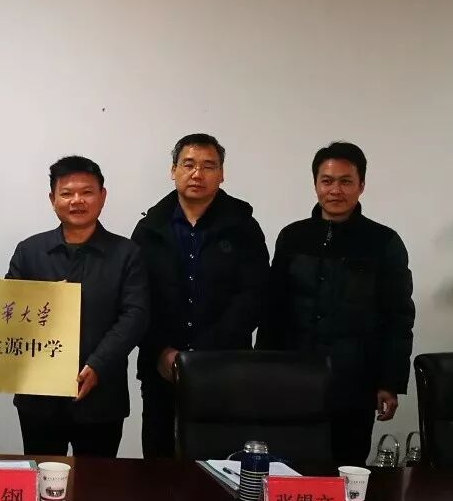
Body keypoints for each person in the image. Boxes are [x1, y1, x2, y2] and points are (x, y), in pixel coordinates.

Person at [257, 141, 414, 466]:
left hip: (355, 381)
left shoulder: (383, 241)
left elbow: (398, 317)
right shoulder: (293, 237)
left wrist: (390, 381)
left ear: (361, 185)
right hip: (294, 375)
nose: (335, 190)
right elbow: (272, 309)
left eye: (345, 181)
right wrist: (263, 369)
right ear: (315, 184)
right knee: (288, 469)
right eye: (327, 181)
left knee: (346, 472)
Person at [132, 134, 269, 459]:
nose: (197, 174)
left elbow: (254, 295)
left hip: (225, 367)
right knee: (158, 460)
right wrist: (162, 350)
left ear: (222, 174)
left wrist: (205, 354)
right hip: (161, 367)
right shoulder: (149, 229)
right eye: (188, 164)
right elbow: (137, 299)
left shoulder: (243, 227)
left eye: (209, 166)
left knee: (221, 462)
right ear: (173, 170)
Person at [6, 156, 148, 458]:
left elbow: (135, 316)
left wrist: (97, 365)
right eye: (67, 193)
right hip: (39, 397)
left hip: (102, 395)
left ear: (103, 196)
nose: (77, 201)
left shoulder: (127, 253)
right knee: (42, 476)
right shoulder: (29, 251)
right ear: (52, 199)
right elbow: (9, 313)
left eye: (87, 192)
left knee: (98, 482)